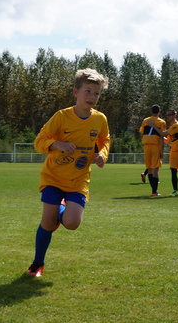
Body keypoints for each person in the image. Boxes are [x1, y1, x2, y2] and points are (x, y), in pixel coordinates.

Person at [26, 68, 111, 278]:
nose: (92, 97)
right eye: (87, 91)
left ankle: (60, 212)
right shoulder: (61, 116)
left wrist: (102, 154)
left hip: (79, 179)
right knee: (47, 222)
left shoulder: (100, 119)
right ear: (75, 92)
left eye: (97, 93)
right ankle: (37, 263)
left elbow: (105, 140)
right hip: (53, 176)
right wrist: (57, 144)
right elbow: (39, 141)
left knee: (72, 223)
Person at [137, 104, 166, 196]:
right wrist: (161, 150)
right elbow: (161, 137)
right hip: (155, 146)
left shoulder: (145, 120)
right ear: (159, 112)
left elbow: (142, 133)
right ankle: (154, 191)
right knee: (155, 169)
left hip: (146, 146)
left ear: (151, 111)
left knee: (149, 169)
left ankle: (153, 191)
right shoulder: (161, 122)